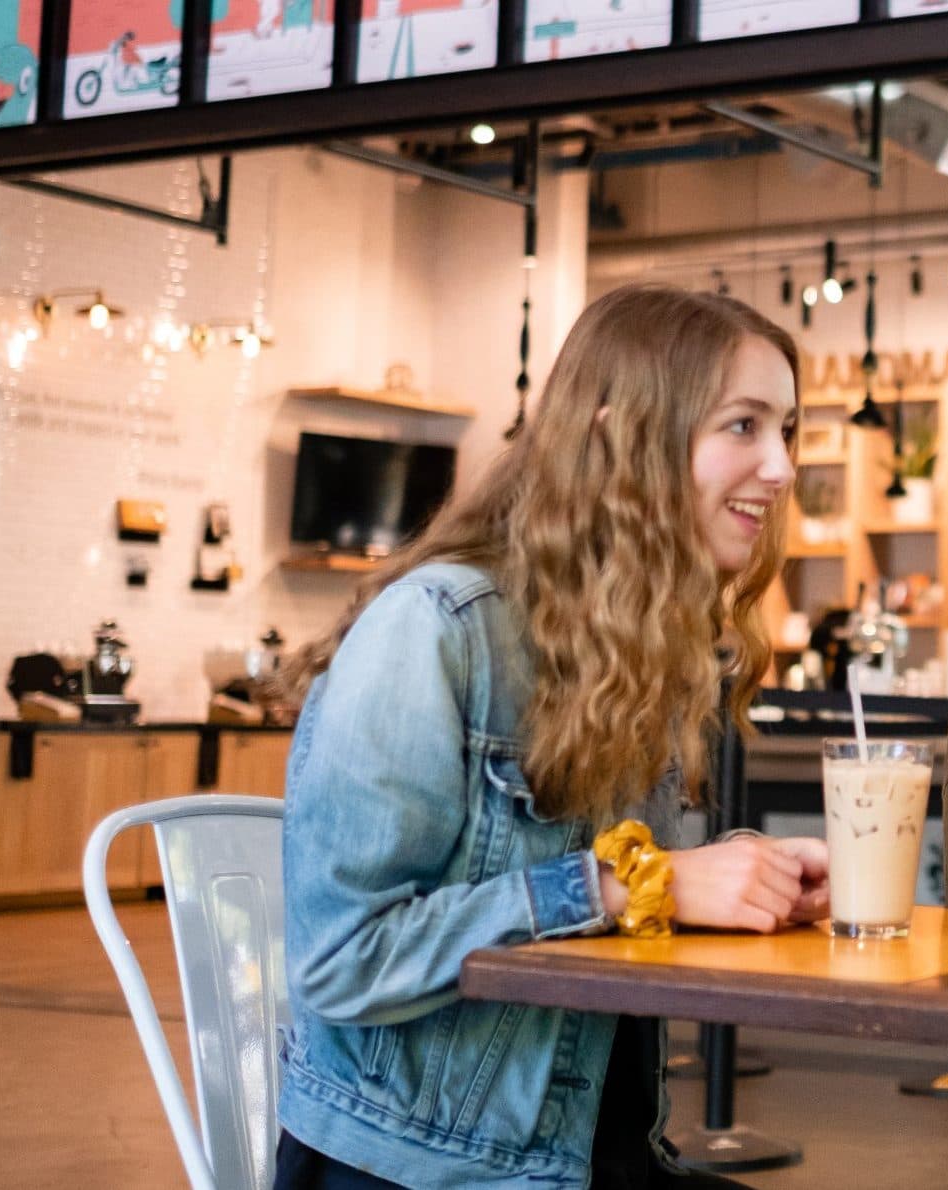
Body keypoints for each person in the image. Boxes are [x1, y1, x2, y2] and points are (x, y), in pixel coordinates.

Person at [275, 284, 832, 1189]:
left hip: (582, 1157)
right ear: (618, 437)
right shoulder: (435, 629)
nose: (779, 467)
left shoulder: (638, 640)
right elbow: (344, 963)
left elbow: (619, 901)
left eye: (788, 431)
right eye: (743, 426)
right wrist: (627, 888)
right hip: (418, 1170)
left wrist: (738, 877)